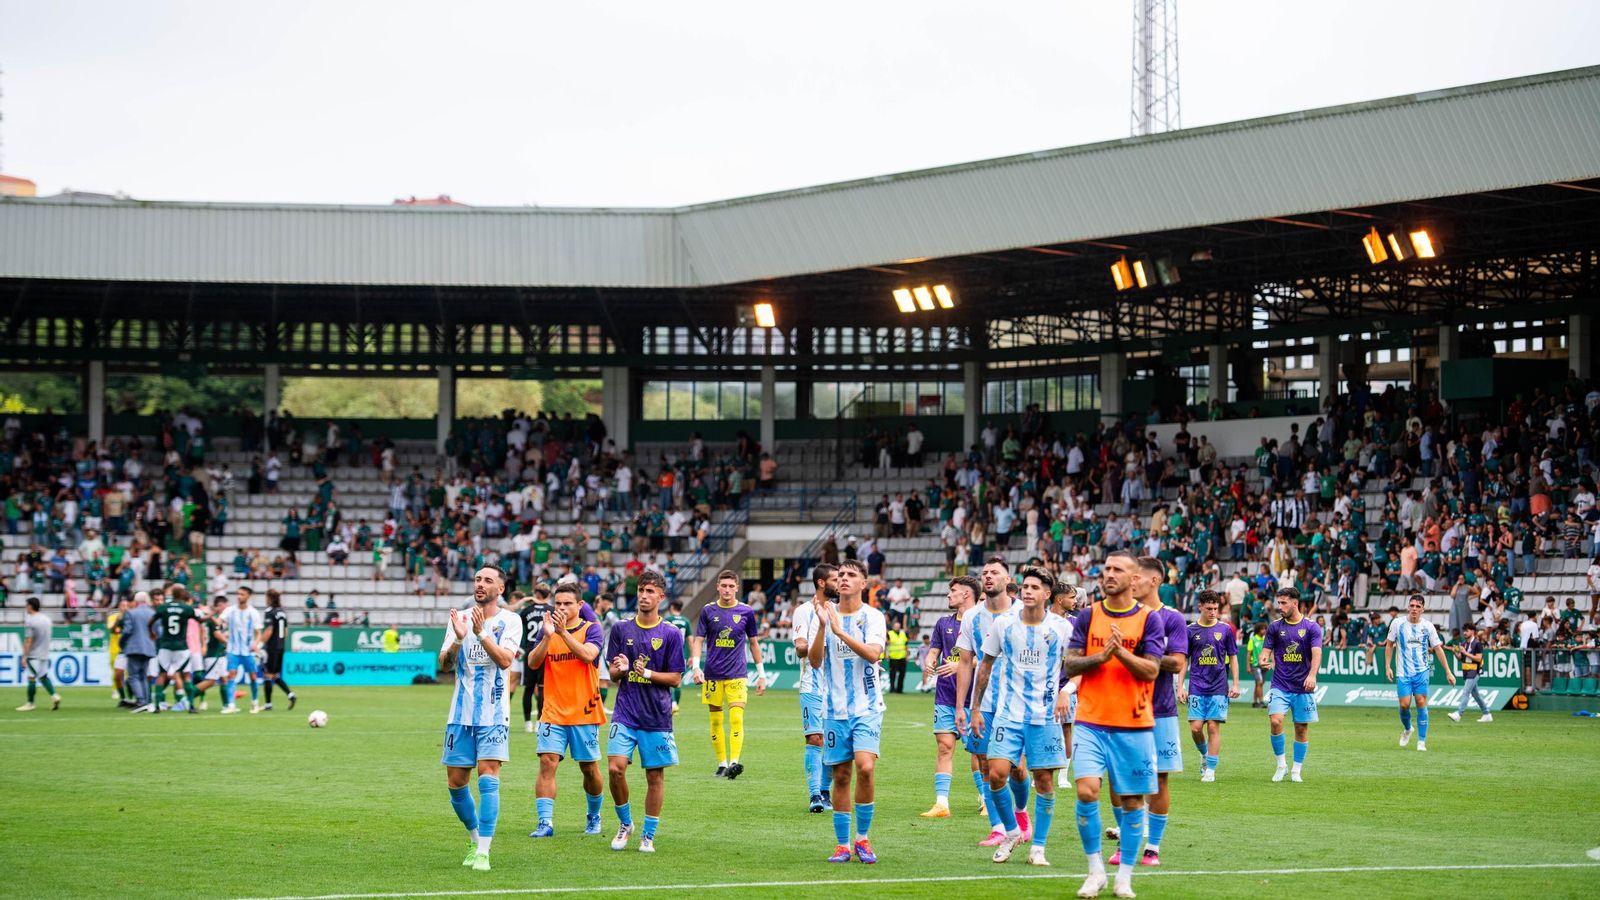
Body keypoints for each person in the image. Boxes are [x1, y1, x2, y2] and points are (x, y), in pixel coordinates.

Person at [1061, 551, 1163, 900]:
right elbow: (1070, 663)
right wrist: (1102, 656)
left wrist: (1119, 653)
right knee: (1087, 790)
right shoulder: (1088, 616)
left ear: (1134, 579)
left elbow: (1152, 670)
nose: (1109, 574)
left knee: (1133, 801)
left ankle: (1124, 877)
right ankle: (1095, 871)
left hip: (1134, 723)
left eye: (1117, 569)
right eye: (1106, 568)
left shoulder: (1150, 620)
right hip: (1090, 719)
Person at [971, 566, 1072, 867]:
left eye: (1034, 587)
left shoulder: (1062, 628)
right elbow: (986, 666)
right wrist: (976, 708)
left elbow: (1080, 667)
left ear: (1046, 594)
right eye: (1025, 586)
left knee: (1044, 781)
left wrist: (1069, 690)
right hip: (1008, 714)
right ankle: (1012, 832)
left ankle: (1038, 847)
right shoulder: (1004, 624)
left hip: (1045, 717)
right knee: (997, 774)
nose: (1027, 591)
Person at [437, 565, 521, 872]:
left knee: (488, 777)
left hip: (495, 713)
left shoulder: (510, 620)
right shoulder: (458, 618)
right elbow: (444, 664)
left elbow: (505, 661)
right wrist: (459, 640)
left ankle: (484, 850)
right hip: (460, 715)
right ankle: (474, 838)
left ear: (500, 589)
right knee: (456, 785)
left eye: (487, 580)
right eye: (477, 579)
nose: (480, 584)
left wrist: (480, 633)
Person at [805, 558, 887, 864]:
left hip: (867, 707)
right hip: (834, 709)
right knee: (841, 775)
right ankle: (842, 845)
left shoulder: (874, 617)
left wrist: (839, 632)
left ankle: (863, 839)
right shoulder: (824, 615)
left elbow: (873, 654)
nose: (844, 579)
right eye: (840, 575)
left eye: (851, 575)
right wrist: (824, 627)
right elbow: (814, 661)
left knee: (865, 767)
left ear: (863, 583)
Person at [1111, 556, 1188, 868]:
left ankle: (1152, 847)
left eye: (1137, 578)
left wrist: (1143, 655)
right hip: (1121, 707)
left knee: (1158, 779)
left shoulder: (1172, 619)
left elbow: (1178, 662)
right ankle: (1127, 840)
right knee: (1119, 780)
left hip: (1160, 710)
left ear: (1154, 581)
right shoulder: (1120, 615)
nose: (1131, 583)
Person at [603, 571, 684, 853]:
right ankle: (625, 824)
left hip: (656, 717)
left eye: (650, 591)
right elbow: (613, 675)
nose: (643, 595)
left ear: (661, 597)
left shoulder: (671, 633)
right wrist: (619, 670)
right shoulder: (621, 630)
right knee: (615, 768)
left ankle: (648, 835)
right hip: (625, 712)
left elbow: (675, 679)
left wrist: (645, 672)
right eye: (641, 590)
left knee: (654, 777)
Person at [954, 557, 1030, 849]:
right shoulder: (972, 616)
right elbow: (964, 662)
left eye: (994, 572)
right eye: (984, 572)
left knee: (1016, 767)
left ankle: (1021, 813)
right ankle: (998, 827)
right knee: (987, 766)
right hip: (983, 702)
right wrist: (961, 706)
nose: (988, 576)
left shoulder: (1024, 611)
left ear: (1008, 579)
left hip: (1017, 702)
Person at [528, 581, 607, 838]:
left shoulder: (592, 629)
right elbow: (532, 662)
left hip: (584, 711)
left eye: (567, 604)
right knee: (547, 763)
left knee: (589, 768)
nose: (561, 607)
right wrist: (548, 636)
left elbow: (587, 655)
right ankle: (545, 822)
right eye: (558, 603)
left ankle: (594, 815)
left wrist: (563, 634)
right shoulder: (548, 631)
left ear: (580, 605)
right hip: (553, 711)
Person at [688, 569, 766, 779]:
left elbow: (754, 644)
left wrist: (762, 674)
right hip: (712, 674)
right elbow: (698, 640)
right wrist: (696, 666)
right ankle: (722, 764)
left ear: (737, 588)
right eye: (724, 586)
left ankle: (734, 762)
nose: (727, 590)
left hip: (737, 674)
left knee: (736, 718)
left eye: (731, 586)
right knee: (715, 721)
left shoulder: (747, 611)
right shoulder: (707, 611)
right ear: (718, 587)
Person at [921, 574, 979, 819]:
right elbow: (935, 650)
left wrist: (962, 665)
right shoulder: (943, 622)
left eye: (953, 591)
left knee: (979, 752)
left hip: (976, 697)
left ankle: (986, 799)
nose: (948, 595)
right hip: (945, 695)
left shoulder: (983, 621)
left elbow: (989, 657)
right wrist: (930, 660)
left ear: (966, 594)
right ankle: (942, 803)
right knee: (945, 747)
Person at [1263, 587, 1323, 782]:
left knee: (1301, 728)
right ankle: (1281, 765)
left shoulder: (1312, 627)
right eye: (1278, 602)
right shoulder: (1274, 627)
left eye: (1283, 603)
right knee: (1275, 721)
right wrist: (1263, 659)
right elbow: (1265, 651)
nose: (1279, 606)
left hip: (1303, 686)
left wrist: (1312, 675)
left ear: (1295, 603)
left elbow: (1317, 652)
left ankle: (1297, 769)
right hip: (1280, 683)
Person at [1180, 591, 1239, 782]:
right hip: (1197, 686)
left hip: (1218, 687)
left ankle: (1211, 770)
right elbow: (1184, 660)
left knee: (1213, 727)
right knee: (1196, 729)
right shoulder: (1190, 631)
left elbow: (1234, 658)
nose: (1213, 612)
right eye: (1209, 609)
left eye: (1216, 608)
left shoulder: (1225, 630)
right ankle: (1204, 755)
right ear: (1200, 607)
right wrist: (1180, 686)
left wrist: (1236, 684)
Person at [1386, 593, 1457, 751]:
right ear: (1408, 607)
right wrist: (1387, 666)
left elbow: (1438, 649)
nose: (1414, 609)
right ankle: (1408, 729)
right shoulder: (1397, 624)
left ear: (1423, 609)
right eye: (1412, 605)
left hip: (1421, 672)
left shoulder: (1428, 627)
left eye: (1418, 606)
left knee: (1420, 703)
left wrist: (1448, 672)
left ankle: (1421, 741)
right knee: (1404, 705)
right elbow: (1389, 644)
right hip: (1403, 673)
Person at [794, 564, 838, 813]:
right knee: (815, 738)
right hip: (812, 684)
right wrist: (804, 647)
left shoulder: (841, 612)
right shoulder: (804, 611)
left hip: (838, 688)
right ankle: (814, 796)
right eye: (834, 579)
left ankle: (824, 790)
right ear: (822, 583)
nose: (839, 583)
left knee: (832, 742)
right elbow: (800, 645)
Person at [152, 585, 200, 714]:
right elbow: (199, 620)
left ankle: (157, 705)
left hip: (165, 645)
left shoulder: (163, 607)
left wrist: (151, 633)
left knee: (161, 675)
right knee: (186, 675)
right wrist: (210, 615)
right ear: (182, 595)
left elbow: (151, 621)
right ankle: (191, 706)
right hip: (181, 647)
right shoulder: (187, 609)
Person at [514, 586, 553, 731]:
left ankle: (527, 723)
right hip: (545, 650)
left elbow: (517, 626)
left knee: (528, 688)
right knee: (542, 688)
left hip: (530, 650)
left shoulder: (526, 611)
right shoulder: (552, 609)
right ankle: (539, 722)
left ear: (535, 594)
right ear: (548, 594)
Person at [221, 586, 264, 715]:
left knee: (253, 676)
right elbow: (219, 622)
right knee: (231, 676)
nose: (239, 596)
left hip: (248, 651)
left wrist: (255, 644)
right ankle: (231, 704)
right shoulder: (230, 610)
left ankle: (255, 702)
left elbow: (258, 633)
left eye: (242, 594)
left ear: (248, 596)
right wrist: (220, 630)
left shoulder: (253, 613)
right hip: (233, 650)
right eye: (238, 594)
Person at [16, 598, 60, 711]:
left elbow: (28, 640)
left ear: (30, 606)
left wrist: (24, 656)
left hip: (34, 654)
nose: (26, 607)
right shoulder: (47, 619)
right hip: (44, 653)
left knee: (31, 678)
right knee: (43, 676)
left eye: (27, 605)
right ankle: (54, 696)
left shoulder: (30, 621)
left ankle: (30, 703)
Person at [1448, 623, 1494, 723]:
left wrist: (1464, 652)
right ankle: (1487, 714)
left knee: (1466, 692)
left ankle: (1459, 714)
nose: (1465, 632)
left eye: (1467, 630)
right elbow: (1461, 658)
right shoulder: (1464, 643)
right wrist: (1455, 653)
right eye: (1464, 630)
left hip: (1475, 671)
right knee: (1475, 694)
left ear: (1473, 632)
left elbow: (1478, 658)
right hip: (1466, 670)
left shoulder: (1477, 644)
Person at [260, 589, 297, 710]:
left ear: (269, 598)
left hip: (271, 647)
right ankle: (290, 695)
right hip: (281, 647)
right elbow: (286, 632)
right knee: (275, 675)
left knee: (267, 675)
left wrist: (260, 643)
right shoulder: (282, 612)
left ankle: (268, 704)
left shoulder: (269, 612)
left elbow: (269, 630)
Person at [191, 597, 230, 711]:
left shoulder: (214, 619)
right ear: (219, 606)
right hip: (214, 654)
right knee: (211, 681)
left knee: (224, 679)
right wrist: (228, 643)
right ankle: (187, 698)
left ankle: (226, 705)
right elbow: (217, 635)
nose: (226, 608)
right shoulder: (212, 619)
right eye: (224, 605)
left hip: (219, 653)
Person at [122, 591, 156, 711]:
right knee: (143, 675)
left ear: (136, 601)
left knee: (133, 676)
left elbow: (127, 631)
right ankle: (146, 700)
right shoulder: (153, 613)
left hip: (134, 647)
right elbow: (158, 631)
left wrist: (122, 643)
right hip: (148, 647)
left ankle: (141, 701)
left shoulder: (131, 613)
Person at [662, 599, 692, 714]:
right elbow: (690, 640)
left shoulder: (667, 620)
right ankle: (676, 707)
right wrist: (692, 656)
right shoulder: (686, 621)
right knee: (678, 682)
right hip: (681, 655)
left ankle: (672, 704)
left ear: (672, 607)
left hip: (668, 654)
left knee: (667, 680)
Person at [885, 618, 910, 694]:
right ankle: (892, 689)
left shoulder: (903, 634)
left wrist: (907, 655)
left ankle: (899, 690)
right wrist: (886, 654)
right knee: (893, 674)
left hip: (902, 657)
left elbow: (906, 645)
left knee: (902, 674)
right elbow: (886, 645)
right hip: (893, 657)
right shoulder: (889, 634)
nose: (897, 628)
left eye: (898, 626)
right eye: (896, 626)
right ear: (893, 627)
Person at [1247, 621, 1268, 708]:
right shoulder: (1253, 640)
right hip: (1255, 664)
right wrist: (1248, 666)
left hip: (1264, 665)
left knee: (1260, 683)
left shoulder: (1265, 640)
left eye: (1265, 629)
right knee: (1259, 682)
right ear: (1258, 630)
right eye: (1262, 629)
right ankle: (1261, 701)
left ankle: (1255, 702)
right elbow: (1249, 654)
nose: (1264, 631)